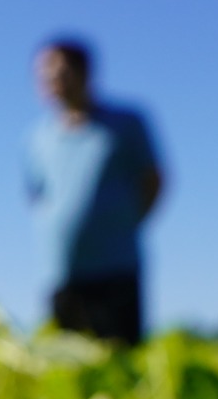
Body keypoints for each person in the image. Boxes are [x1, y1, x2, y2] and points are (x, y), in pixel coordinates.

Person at [23, 36, 162, 347]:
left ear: (85, 72)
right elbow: (36, 195)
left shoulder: (126, 124)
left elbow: (153, 180)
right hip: (61, 272)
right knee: (65, 366)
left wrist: (121, 224)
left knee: (119, 357)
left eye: (59, 72)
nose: (51, 81)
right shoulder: (36, 138)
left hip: (116, 268)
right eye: (43, 75)